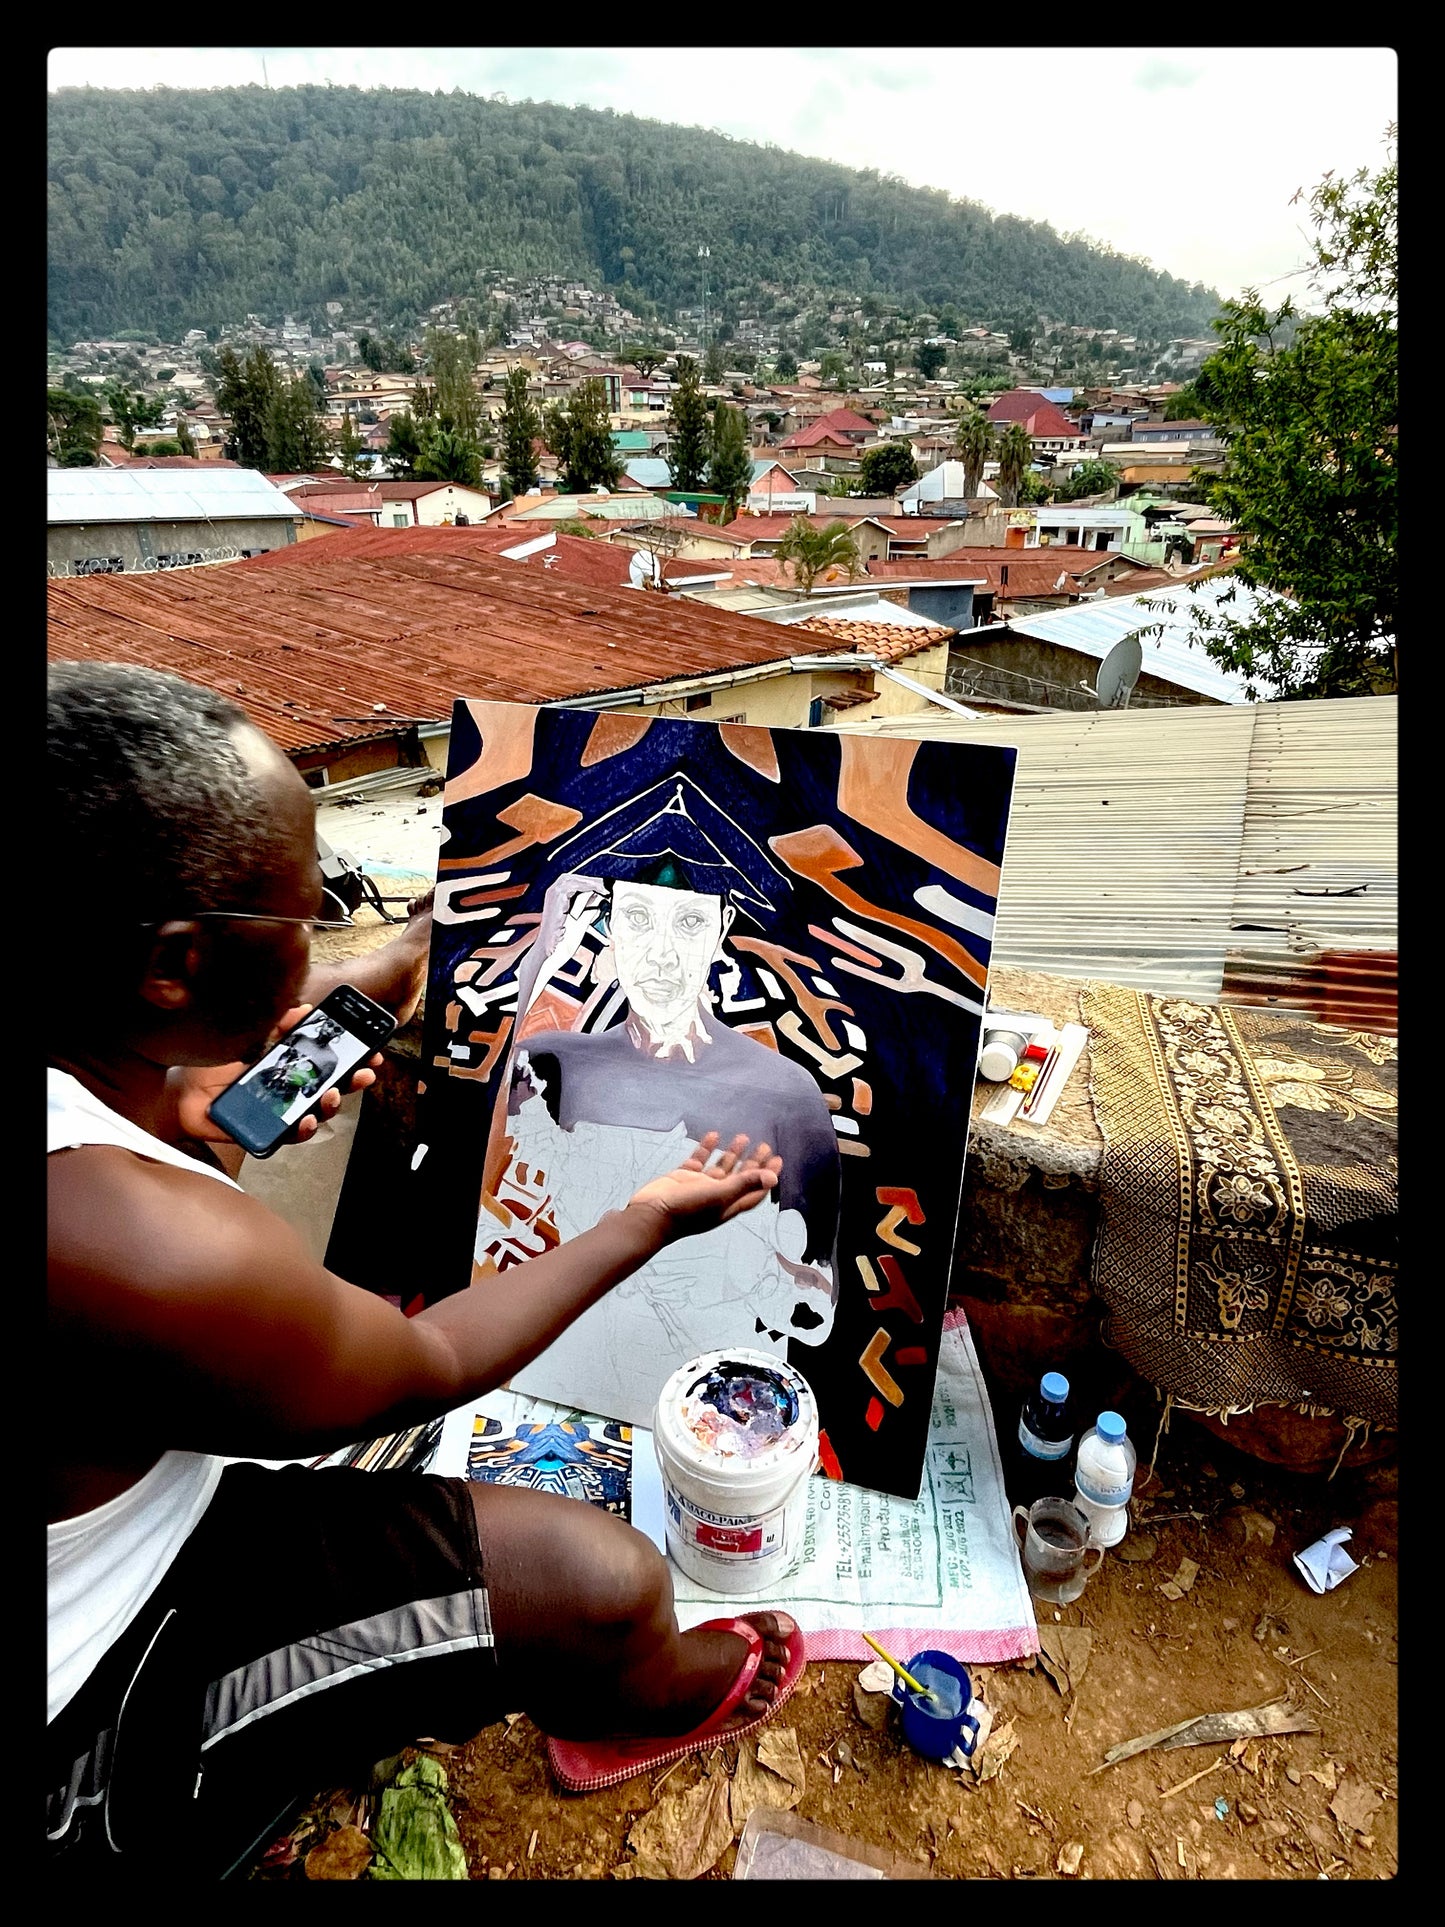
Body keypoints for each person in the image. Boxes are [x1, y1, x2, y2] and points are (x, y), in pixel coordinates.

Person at [47, 663, 803, 1878]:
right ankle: (626, 1702)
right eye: (303, 918)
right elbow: (431, 1360)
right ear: (173, 966)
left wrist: (369, 978)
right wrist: (643, 1221)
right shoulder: (142, 1248)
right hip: (79, 1709)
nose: (322, 940)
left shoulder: (103, 1094)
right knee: (603, 1583)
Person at [496, 850, 842, 1422]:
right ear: (606, 923)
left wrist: (763, 1277)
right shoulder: (549, 1069)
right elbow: (491, 1233)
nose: (660, 955)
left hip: (713, 1406)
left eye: (688, 922)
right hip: (560, 1374)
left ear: (721, 929)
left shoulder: (784, 1094)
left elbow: (815, 1308)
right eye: (636, 917)